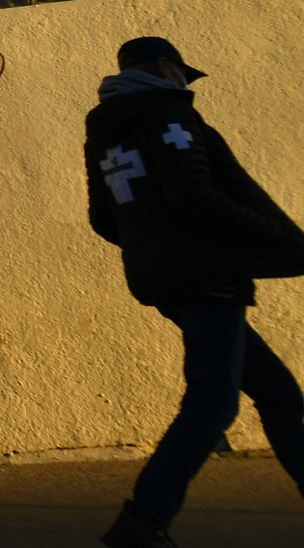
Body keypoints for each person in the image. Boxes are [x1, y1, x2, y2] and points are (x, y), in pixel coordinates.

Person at [85, 37, 304, 548]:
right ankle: (143, 520)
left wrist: (153, 247)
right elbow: (193, 195)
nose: (186, 83)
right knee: (213, 403)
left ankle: (144, 521)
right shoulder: (168, 114)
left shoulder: (104, 130)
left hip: (167, 280)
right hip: (209, 277)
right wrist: (271, 237)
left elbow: (103, 217)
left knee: (277, 392)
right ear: (166, 68)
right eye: (183, 73)